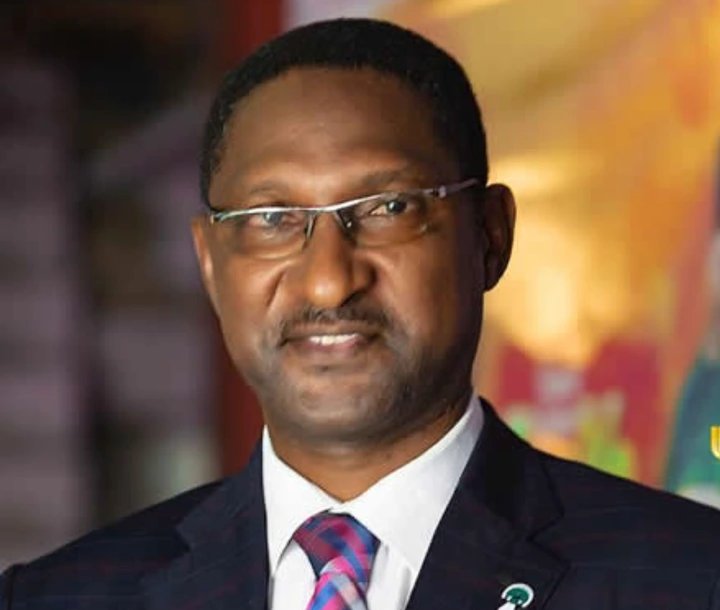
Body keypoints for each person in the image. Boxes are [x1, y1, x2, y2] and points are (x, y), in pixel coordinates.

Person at [2, 17, 720, 610]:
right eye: (273, 218)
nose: (328, 283)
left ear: (490, 236)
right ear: (210, 263)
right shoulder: (58, 598)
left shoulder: (688, 579)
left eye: (388, 208)